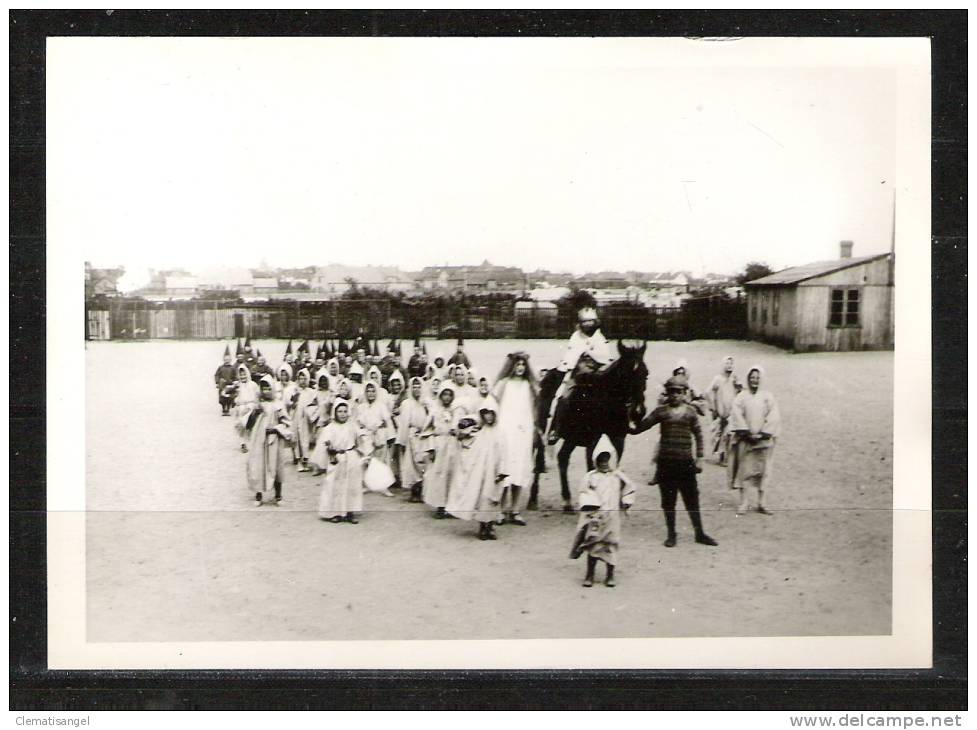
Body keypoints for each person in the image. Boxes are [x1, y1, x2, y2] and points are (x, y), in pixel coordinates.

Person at [630, 375, 718, 548]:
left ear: (685, 393)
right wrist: (630, 421)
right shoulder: (661, 411)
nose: (675, 395)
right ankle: (672, 534)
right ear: (667, 393)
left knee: (692, 498)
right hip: (666, 463)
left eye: (679, 392)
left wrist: (700, 458)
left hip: (686, 463)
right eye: (672, 392)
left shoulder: (691, 412)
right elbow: (642, 426)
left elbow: (699, 435)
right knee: (668, 500)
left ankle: (699, 533)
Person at [569, 441, 637, 587]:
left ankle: (610, 574)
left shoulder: (618, 476)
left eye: (607, 459)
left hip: (612, 517)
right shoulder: (591, 477)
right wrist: (590, 504)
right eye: (601, 460)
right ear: (595, 460)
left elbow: (629, 488)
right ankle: (590, 574)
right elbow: (584, 492)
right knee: (593, 544)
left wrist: (626, 500)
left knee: (611, 544)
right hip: (596, 516)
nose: (604, 463)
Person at [547, 304, 613, 444]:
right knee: (563, 397)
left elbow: (605, 356)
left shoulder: (599, 337)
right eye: (584, 321)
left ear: (595, 322)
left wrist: (595, 358)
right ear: (580, 323)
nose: (588, 324)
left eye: (590, 321)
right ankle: (555, 429)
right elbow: (571, 355)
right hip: (578, 374)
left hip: (596, 374)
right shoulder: (576, 337)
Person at [445, 404, 508, 541]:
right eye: (485, 413)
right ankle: (482, 527)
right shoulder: (480, 432)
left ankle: (490, 527)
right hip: (481, 471)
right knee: (482, 498)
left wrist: (502, 471)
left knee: (493, 499)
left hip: (495, 471)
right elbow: (467, 444)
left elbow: (504, 452)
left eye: (491, 413)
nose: (488, 416)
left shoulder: (500, 432)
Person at [492, 352, 539, 526]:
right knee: (506, 471)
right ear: (511, 366)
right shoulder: (503, 384)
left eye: (523, 365)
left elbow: (535, 408)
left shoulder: (529, 386)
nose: (520, 368)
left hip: (523, 433)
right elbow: (493, 404)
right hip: (506, 432)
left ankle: (515, 509)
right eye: (517, 364)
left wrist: (532, 428)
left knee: (520, 469)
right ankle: (502, 509)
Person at [728, 365, 781, 515]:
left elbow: (774, 415)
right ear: (748, 379)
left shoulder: (767, 396)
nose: (754, 380)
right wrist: (746, 433)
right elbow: (736, 414)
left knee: (763, 471)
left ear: (761, 379)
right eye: (752, 378)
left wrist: (764, 433)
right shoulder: (741, 396)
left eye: (757, 378)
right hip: (746, 440)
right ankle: (744, 502)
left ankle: (761, 502)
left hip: (763, 441)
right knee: (744, 471)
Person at [316, 401, 371, 524]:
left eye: (345, 411)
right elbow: (324, 442)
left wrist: (365, 451)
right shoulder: (330, 428)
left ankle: (350, 512)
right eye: (339, 411)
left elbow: (362, 437)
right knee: (335, 485)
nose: (342, 414)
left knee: (351, 485)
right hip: (336, 458)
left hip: (351, 458)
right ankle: (335, 512)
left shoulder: (352, 426)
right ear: (335, 412)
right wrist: (329, 448)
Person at [244, 375, 293, 506]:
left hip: (275, 441)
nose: (266, 391)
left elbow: (287, 423)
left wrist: (276, 429)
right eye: (263, 388)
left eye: (268, 388)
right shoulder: (257, 405)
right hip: (259, 440)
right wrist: (255, 413)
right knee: (258, 465)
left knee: (276, 466)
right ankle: (258, 495)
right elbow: (248, 424)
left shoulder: (278, 405)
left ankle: (278, 495)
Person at [423, 384, 463, 518]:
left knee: (452, 476)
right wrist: (431, 447)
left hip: (453, 446)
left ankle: (452, 506)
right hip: (440, 445)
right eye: (444, 394)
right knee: (439, 476)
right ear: (440, 396)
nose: (447, 397)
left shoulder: (457, 411)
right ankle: (440, 506)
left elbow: (461, 429)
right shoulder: (435, 411)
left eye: (450, 394)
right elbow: (428, 430)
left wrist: (456, 431)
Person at [397, 377, 432, 502]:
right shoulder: (407, 404)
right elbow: (403, 423)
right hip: (412, 435)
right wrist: (402, 441)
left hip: (424, 435)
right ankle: (414, 491)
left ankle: (424, 490)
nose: (416, 390)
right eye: (414, 387)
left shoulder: (427, 402)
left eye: (419, 387)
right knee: (411, 465)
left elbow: (431, 418)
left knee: (424, 463)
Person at [706, 355, 742, 465]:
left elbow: (741, 392)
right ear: (723, 365)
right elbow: (707, 392)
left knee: (729, 433)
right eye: (727, 363)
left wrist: (739, 387)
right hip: (720, 411)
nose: (729, 366)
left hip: (731, 412)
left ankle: (726, 457)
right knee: (719, 433)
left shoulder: (734, 379)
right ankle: (721, 456)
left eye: (731, 363)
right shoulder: (718, 379)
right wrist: (713, 407)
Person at [356, 382, 397, 469]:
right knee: (367, 465)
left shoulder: (381, 406)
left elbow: (388, 424)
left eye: (373, 391)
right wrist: (363, 433)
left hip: (379, 440)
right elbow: (357, 424)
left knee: (379, 465)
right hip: (365, 440)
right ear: (365, 393)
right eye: (368, 391)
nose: (371, 393)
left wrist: (380, 431)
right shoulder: (361, 407)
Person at [292, 369, 318, 472]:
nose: (302, 381)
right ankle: (299, 461)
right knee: (297, 439)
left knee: (305, 439)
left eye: (304, 378)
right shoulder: (295, 391)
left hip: (306, 418)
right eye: (300, 378)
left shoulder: (311, 392)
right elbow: (292, 405)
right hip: (296, 417)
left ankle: (305, 461)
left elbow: (314, 404)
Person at [232, 364, 260, 452]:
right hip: (241, 406)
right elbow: (236, 397)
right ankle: (242, 443)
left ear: (247, 374)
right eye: (241, 375)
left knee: (250, 425)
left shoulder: (253, 385)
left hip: (251, 406)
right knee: (241, 426)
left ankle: (252, 442)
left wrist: (254, 405)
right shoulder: (239, 386)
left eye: (244, 374)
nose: (242, 376)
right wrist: (237, 402)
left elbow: (257, 396)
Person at [214, 347, 237, 416]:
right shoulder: (220, 367)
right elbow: (216, 375)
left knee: (229, 398)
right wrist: (217, 382)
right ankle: (224, 408)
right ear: (223, 360)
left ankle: (228, 409)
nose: (227, 361)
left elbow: (235, 376)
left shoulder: (233, 368)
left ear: (230, 360)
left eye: (228, 359)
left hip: (230, 385)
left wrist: (235, 382)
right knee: (222, 398)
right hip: (223, 385)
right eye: (225, 359)